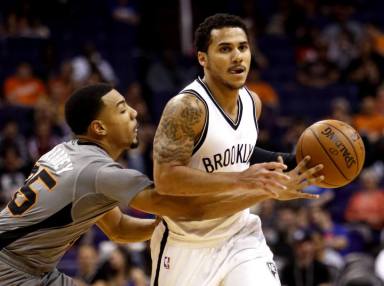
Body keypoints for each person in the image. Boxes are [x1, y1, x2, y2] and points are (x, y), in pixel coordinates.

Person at [0, 83, 310, 286]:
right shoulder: (101, 173)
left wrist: (162, 225)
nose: (135, 111)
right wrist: (263, 189)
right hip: (11, 270)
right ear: (99, 128)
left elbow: (119, 228)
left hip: (32, 266)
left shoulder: (67, 154)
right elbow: (190, 209)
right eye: (122, 109)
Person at [151, 13, 324, 286]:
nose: (237, 56)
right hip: (187, 242)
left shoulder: (252, 102)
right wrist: (242, 180)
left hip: (241, 234)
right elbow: (165, 179)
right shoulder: (187, 108)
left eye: (243, 47)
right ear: (202, 59)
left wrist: (295, 162)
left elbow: (241, 151)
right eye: (225, 49)